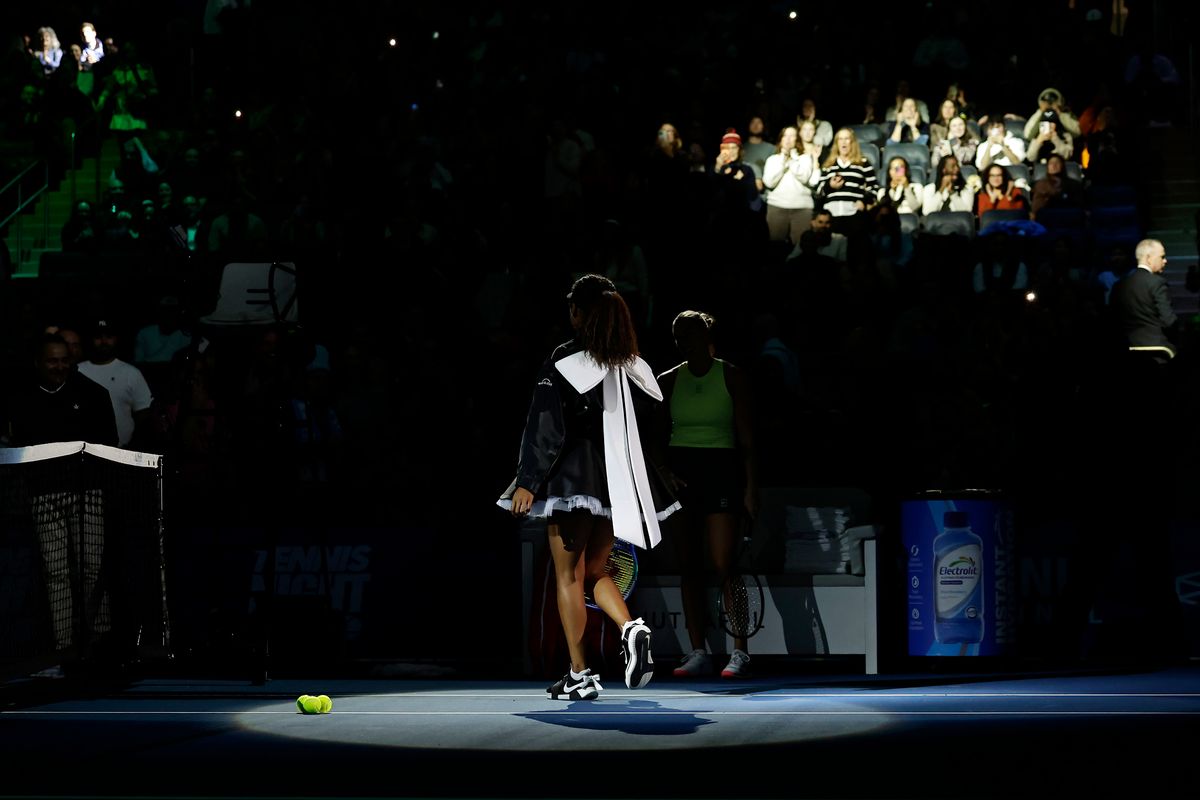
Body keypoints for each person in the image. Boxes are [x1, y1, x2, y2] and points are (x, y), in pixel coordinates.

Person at [498, 273, 677, 700]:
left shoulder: (566, 359)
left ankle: (580, 673)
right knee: (595, 572)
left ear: (579, 312)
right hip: (618, 483)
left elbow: (546, 426)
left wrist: (527, 481)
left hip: (574, 479)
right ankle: (630, 626)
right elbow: (653, 428)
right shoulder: (633, 364)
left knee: (567, 577)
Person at [6, 333, 119, 678]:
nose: (59, 367)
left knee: (90, 569)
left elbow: (109, 443)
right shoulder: (21, 398)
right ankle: (65, 649)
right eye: (52, 361)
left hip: (88, 493)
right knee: (56, 575)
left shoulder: (92, 394)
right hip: (44, 497)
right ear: (39, 363)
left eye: (64, 360)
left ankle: (100, 646)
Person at [655, 310, 758, 679]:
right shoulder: (667, 380)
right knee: (689, 568)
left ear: (707, 336)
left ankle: (740, 651)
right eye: (679, 335)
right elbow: (652, 434)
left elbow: (747, 438)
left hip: (722, 472)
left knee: (724, 564)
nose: (685, 341)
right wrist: (664, 471)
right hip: (683, 477)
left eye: (691, 333)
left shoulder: (730, 375)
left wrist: (750, 489)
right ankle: (697, 650)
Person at [77, 318, 155, 450]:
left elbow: (144, 414)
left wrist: (135, 444)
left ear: (116, 339)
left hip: (124, 451)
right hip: (84, 450)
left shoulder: (131, 373)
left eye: (108, 337)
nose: (104, 341)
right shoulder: (78, 370)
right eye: (98, 337)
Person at [1109, 239, 1177, 365]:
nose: (1165, 261)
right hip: (1159, 350)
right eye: (1162, 257)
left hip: (1127, 349)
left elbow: (1112, 319)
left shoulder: (1118, 285)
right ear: (1149, 258)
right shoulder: (1157, 283)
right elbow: (1169, 321)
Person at [762, 125, 819, 245]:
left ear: (797, 139)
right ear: (781, 139)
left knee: (801, 246)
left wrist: (792, 161)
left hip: (802, 208)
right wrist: (783, 162)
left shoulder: (805, 158)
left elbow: (804, 177)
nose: (788, 139)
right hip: (777, 206)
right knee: (775, 246)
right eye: (785, 135)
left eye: (792, 135)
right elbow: (769, 182)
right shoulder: (772, 159)